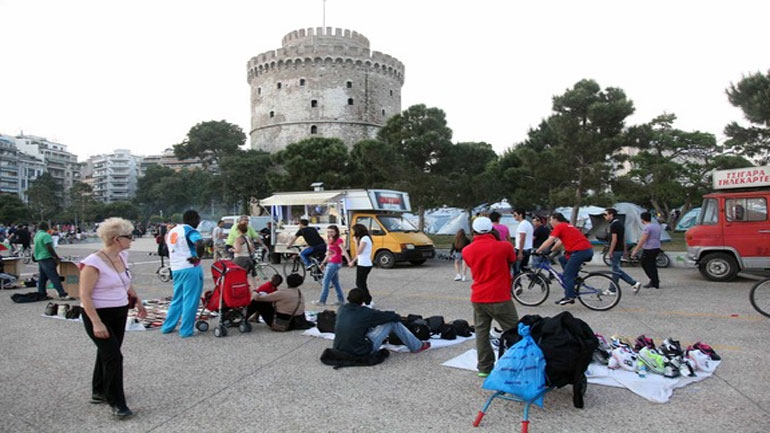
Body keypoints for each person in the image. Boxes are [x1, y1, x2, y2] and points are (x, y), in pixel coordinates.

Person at [79, 217, 147, 419]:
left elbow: (125, 281)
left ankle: (98, 390)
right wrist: (96, 322)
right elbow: (84, 295)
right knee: (114, 357)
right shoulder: (92, 263)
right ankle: (117, 401)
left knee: (107, 353)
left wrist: (138, 300)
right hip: (98, 314)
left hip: (119, 311)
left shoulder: (122, 256)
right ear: (117, 239)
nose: (132, 240)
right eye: (129, 236)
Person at [462, 217, 519, 377]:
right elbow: (512, 260)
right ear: (492, 230)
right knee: (514, 331)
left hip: (479, 297)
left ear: (473, 231)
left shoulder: (467, 250)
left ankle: (484, 368)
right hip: (500, 296)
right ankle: (518, 363)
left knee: (482, 333)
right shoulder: (504, 246)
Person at [333, 288, 430, 356]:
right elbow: (391, 316)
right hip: (361, 350)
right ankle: (416, 346)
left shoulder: (341, 309)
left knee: (363, 325)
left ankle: (415, 345)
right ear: (362, 301)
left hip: (339, 347)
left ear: (348, 298)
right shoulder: (366, 312)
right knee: (392, 322)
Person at [161, 210, 205, 338]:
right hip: (190, 267)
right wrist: (198, 257)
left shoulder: (173, 231)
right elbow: (199, 243)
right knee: (190, 299)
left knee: (177, 298)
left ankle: (168, 326)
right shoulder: (190, 230)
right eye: (198, 220)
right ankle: (186, 330)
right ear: (193, 219)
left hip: (176, 268)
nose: (198, 223)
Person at [535, 213, 594, 305]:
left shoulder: (560, 227)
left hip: (580, 252)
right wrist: (550, 251)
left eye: (551, 220)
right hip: (586, 250)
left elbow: (550, 240)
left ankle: (569, 296)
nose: (550, 222)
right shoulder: (567, 226)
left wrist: (538, 250)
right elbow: (559, 242)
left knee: (567, 275)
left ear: (556, 220)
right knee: (562, 259)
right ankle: (575, 278)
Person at [33, 221, 74, 300]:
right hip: (47, 257)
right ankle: (62, 294)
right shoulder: (46, 235)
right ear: (46, 227)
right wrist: (56, 257)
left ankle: (42, 293)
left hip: (39, 257)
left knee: (42, 277)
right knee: (54, 276)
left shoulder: (37, 235)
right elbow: (49, 247)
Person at [604, 209, 641, 294]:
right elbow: (624, 237)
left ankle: (632, 283)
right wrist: (624, 249)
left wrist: (610, 251)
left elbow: (614, 239)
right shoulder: (620, 224)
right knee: (616, 270)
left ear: (611, 215)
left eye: (605, 214)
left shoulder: (614, 225)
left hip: (616, 250)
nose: (604, 216)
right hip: (620, 249)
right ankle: (614, 288)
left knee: (615, 270)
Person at [314, 225, 352, 306]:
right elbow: (328, 254)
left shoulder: (338, 240)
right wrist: (323, 263)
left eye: (332, 232)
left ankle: (322, 301)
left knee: (325, 281)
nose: (330, 233)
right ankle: (341, 300)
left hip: (335, 262)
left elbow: (344, 251)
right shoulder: (329, 240)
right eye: (328, 232)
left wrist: (349, 261)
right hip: (331, 262)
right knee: (335, 282)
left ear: (336, 232)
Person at [630, 212, 662, 290]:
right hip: (656, 247)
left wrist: (635, 250)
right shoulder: (657, 226)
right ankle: (655, 280)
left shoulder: (647, 228)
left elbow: (643, 239)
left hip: (649, 248)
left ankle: (654, 281)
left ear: (642, 219)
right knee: (652, 265)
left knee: (645, 264)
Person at [347, 223, 375, 306]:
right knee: (361, 283)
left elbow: (359, 251)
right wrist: (353, 261)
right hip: (362, 263)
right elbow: (359, 255)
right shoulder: (365, 238)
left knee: (360, 283)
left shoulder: (365, 239)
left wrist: (356, 242)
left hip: (365, 264)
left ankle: (368, 301)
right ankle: (367, 299)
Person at [513, 208, 534, 275]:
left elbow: (522, 239)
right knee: (524, 268)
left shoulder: (522, 225)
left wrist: (520, 252)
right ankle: (538, 280)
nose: (514, 217)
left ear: (520, 215)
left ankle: (515, 283)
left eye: (515, 215)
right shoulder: (528, 224)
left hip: (522, 249)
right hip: (527, 248)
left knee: (516, 268)